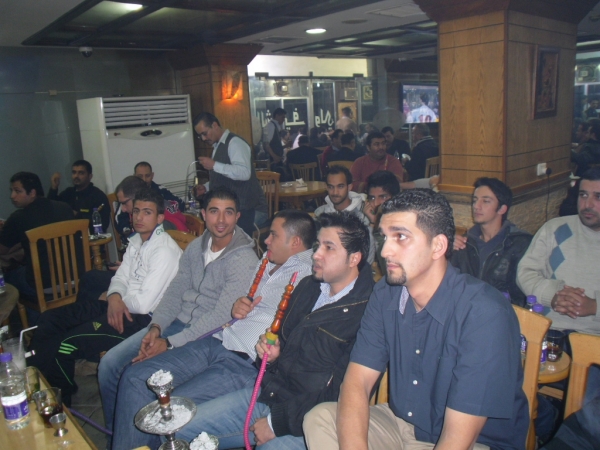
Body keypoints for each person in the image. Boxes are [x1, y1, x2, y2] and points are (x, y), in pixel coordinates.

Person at [304, 189, 529, 449]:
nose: (385, 251)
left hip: (473, 441)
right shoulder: (386, 293)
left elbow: (458, 439)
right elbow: (357, 381)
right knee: (320, 418)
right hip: (403, 425)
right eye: (384, 237)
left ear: (438, 246)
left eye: (400, 237)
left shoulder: (484, 313)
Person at [109, 209, 316, 449]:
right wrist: (237, 305)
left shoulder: (310, 276)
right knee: (134, 378)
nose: (266, 240)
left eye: (273, 235)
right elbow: (242, 299)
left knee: (167, 415)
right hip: (217, 340)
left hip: (242, 362)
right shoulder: (268, 260)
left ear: (295, 242)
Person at [177, 212, 374, 449]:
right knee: (180, 429)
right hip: (271, 395)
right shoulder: (308, 286)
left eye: (329, 248)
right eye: (318, 245)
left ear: (354, 258)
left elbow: (342, 396)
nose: (316, 255)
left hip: (313, 420)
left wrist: (275, 423)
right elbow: (282, 349)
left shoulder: (368, 313)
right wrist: (272, 357)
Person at [98, 187, 259, 443]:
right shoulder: (196, 248)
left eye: (228, 213)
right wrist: (156, 328)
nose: (221, 220)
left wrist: (170, 343)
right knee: (109, 365)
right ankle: (118, 434)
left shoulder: (243, 259)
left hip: (205, 337)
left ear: (237, 216)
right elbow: (175, 292)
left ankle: (131, 442)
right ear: (203, 214)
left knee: (136, 378)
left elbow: (220, 317)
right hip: (174, 324)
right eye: (214, 211)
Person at [28, 189, 182, 406]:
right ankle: (38, 388)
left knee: (66, 345)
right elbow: (119, 278)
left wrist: (115, 300)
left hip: (142, 320)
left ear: (159, 218)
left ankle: (60, 404)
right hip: (119, 304)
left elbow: (142, 304)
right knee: (49, 319)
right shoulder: (137, 241)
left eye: (147, 212)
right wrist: (114, 296)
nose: (139, 217)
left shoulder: (164, 251)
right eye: (136, 211)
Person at [517, 167, 600, 336]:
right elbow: (525, 272)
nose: (587, 205)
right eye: (583, 195)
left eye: (598, 197)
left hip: (594, 337)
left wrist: (595, 306)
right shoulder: (555, 228)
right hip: (547, 330)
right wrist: (552, 296)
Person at [451, 177, 532, 306]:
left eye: (486, 201)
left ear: (502, 209)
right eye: (475, 200)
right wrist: (446, 251)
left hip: (503, 311)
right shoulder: (465, 243)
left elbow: (521, 295)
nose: (476, 206)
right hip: (466, 311)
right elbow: (448, 284)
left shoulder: (519, 244)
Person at [193, 112, 268, 236]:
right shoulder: (218, 146)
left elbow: (244, 173)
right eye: (200, 136)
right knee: (212, 226)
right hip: (233, 209)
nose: (203, 139)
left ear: (215, 125)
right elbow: (224, 176)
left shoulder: (235, 143)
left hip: (250, 210)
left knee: (219, 229)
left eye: (204, 133)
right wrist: (206, 187)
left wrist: (214, 165)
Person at [0, 172, 74, 298]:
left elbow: (2, 249)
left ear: (32, 193)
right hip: (76, 277)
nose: (12, 196)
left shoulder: (19, 217)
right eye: (12, 191)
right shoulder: (65, 208)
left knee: (6, 277)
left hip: (45, 285)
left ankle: (28, 310)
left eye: (17, 191)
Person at [315, 165, 375, 263]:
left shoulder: (364, 215)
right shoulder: (320, 214)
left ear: (349, 187)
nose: (335, 192)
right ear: (326, 187)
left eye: (340, 186)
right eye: (331, 187)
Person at [48, 160, 110, 234]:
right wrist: (54, 188)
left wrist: (77, 215)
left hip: (89, 237)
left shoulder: (98, 196)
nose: (76, 176)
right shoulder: (68, 193)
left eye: (81, 173)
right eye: (74, 172)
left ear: (90, 176)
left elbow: (103, 225)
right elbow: (50, 209)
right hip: (68, 236)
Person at [361, 170, 400, 273]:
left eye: (383, 197)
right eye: (372, 198)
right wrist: (373, 223)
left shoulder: (403, 225)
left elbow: (385, 267)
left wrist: (376, 224)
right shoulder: (367, 217)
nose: (376, 203)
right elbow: (367, 261)